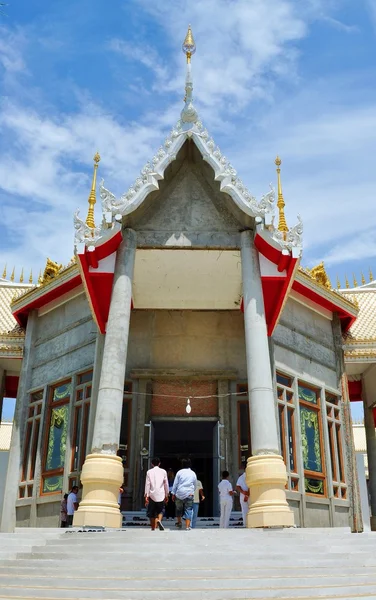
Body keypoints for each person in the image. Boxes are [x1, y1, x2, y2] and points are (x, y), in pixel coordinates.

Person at [172, 458, 197, 531]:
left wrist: (173, 493)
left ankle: (179, 522)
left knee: (178, 509)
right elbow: (195, 484)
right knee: (188, 509)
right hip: (189, 493)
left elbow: (175, 483)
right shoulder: (193, 473)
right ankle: (187, 526)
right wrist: (192, 491)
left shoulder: (179, 472)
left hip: (179, 493)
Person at [144, 457, 169, 531]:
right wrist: (167, 494)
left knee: (151, 512)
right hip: (161, 494)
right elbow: (166, 484)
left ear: (152, 464)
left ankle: (153, 527)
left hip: (152, 494)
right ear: (159, 463)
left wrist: (146, 495)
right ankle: (159, 520)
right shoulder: (163, 471)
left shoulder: (149, 472)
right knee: (161, 510)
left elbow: (147, 484)